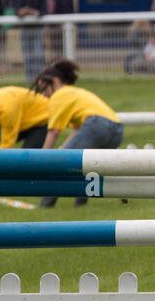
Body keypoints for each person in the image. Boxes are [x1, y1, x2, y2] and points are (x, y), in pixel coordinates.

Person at [31, 59, 123, 207]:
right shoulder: (75, 92)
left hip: (96, 126)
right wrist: (64, 147)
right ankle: (80, 206)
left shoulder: (58, 96)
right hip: (117, 131)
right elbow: (78, 129)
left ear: (55, 81)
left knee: (59, 165)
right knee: (85, 166)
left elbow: (53, 132)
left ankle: (45, 206)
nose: (43, 95)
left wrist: (43, 160)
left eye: (44, 89)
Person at [0, 82, 49, 150]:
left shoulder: (6, 109)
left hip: (41, 120)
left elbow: (7, 143)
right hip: (21, 122)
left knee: (28, 156)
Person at [14, 0, 47, 81]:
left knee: (37, 52)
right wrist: (23, 12)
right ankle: (29, 77)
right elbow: (17, 11)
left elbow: (43, 12)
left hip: (37, 29)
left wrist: (31, 12)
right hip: (25, 29)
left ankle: (39, 75)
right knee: (27, 53)